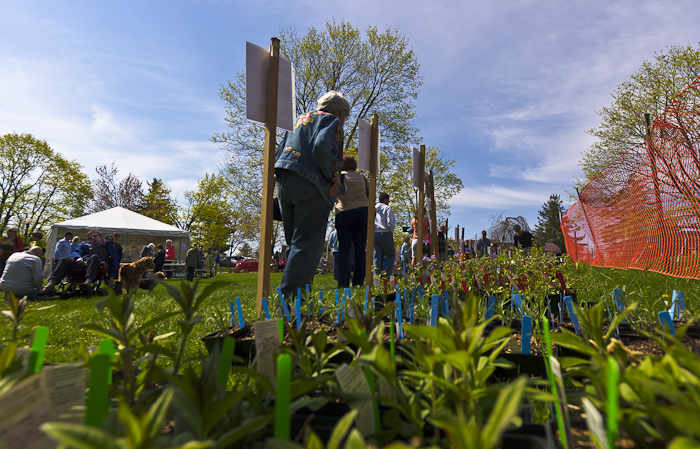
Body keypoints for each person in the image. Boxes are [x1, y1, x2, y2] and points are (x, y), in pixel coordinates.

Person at [274, 90, 349, 300]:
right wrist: (334, 177)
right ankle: (289, 307)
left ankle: (302, 301)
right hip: (311, 185)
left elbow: (280, 150)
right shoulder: (331, 121)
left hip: (285, 181)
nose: (344, 121)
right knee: (307, 247)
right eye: (345, 116)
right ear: (338, 111)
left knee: (295, 245)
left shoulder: (299, 120)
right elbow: (323, 147)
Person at [39, 229, 119, 295]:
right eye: (91, 237)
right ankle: (51, 284)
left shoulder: (109, 246)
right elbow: (75, 252)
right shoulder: (84, 245)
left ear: (101, 237)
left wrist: (111, 278)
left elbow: (115, 262)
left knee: (94, 257)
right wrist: (78, 257)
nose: (93, 238)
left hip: (98, 266)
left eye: (95, 236)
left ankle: (87, 283)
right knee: (64, 260)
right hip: (82, 264)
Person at [334, 154, 368, 288]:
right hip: (362, 211)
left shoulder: (339, 176)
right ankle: (358, 282)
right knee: (360, 249)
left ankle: (343, 283)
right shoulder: (363, 178)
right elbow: (370, 195)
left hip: (344, 212)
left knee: (344, 248)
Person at [373, 192, 396, 278]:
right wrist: (391, 229)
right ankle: (388, 275)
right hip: (385, 232)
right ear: (385, 199)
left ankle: (376, 276)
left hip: (375, 233)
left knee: (377, 256)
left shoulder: (373, 208)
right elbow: (390, 222)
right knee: (390, 255)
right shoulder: (387, 208)